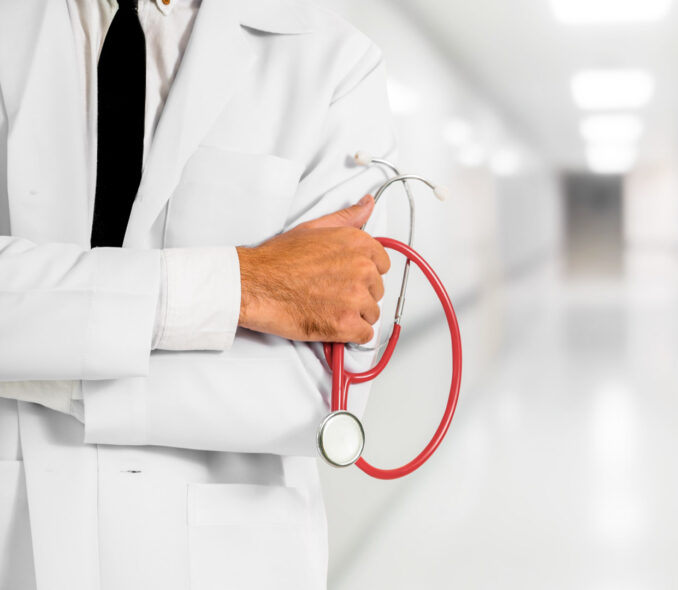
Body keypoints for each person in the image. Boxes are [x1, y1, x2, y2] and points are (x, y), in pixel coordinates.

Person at [0, 0, 397, 587]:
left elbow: (313, 392)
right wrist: (244, 286)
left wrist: (34, 353)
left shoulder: (332, 63)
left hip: (224, 560)